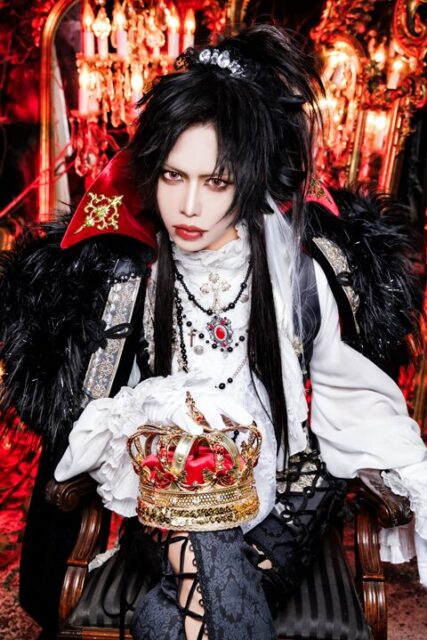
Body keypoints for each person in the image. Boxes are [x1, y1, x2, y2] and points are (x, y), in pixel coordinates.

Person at [1, 25, 426, 640]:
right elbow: (95, 413)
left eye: (216, 181)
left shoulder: (301, 275)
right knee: (195, 539)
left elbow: (351, 396)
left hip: (284, 500)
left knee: (172, 614)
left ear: (249, 179)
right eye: (174, 177)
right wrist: (161, 430)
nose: (190, 206)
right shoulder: (134, 280)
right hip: (170, 502)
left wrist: (407, 472)